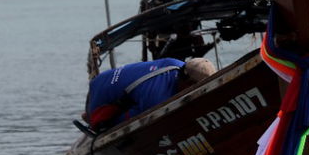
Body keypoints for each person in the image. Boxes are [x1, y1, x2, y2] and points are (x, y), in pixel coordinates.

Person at [83, 56, 215, 132]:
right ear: (187, 83)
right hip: (100, 99)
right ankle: (89, 117)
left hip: (104, 78)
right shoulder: (157, 98)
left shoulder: (176, 64)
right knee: (102, 126)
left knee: (135, 94)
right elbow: (127, 122)